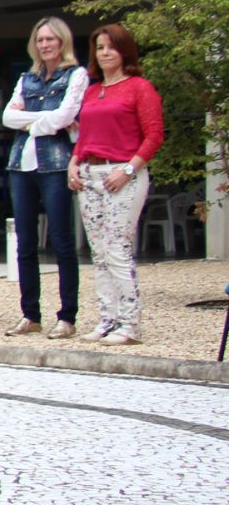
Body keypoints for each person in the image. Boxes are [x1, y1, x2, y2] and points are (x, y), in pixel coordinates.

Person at [70, 23, 165, 346]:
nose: (105, 53)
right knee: (98, 252)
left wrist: (128, 169)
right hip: (90, 173)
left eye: (111, 46)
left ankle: (130, 323)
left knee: (117, 250)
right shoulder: (92, 91)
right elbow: (84, 136)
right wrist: (74, 162)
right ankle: (107, 318)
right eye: (99, 47)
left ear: (124, 50)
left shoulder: (139, 87)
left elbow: (154, 135)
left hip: (123, 175)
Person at [1, 16, 88, 339]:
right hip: (21, 164)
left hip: (55, 163)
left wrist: (31, 122)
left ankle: (67, 316)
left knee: (62, 240)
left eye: (50, 39)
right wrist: (46, 121)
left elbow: (68, 114)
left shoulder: (76, 75)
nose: (45, 45)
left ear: (62, 41)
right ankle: (30, 314)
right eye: (40, 40)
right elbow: (8, 117)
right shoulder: (27, 78)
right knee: (25, 242)